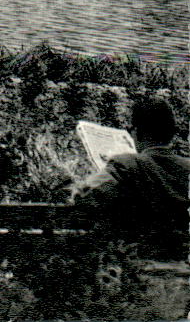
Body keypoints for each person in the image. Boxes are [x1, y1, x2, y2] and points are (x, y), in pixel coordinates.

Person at [73, 98, 190, 260]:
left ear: (136, 132)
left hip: (138, 260)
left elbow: (85, 196)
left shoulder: (126, 164)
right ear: (172, 132)